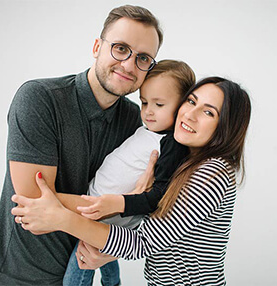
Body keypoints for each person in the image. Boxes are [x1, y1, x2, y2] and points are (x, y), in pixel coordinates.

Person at [0, 5, 163, 286]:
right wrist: (125, 205)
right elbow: (32, 199)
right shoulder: (40, 99)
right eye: (120, 48)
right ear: (96, 47)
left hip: (83, 274)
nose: (129, 64)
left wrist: (113, 244)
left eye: (143, 58)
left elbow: (150, 208)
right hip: (19, 277)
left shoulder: (139, 122)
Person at [12, 76, 252, 285]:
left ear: (226, 128)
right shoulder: (183, 160)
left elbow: (143, 242)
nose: (189, 113)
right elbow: (159, 232)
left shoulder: (213, 173)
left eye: (208, 112)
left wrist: (62, 217)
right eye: (191, 101)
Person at [63, 60, 195, 285]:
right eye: (144, 103)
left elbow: (159, 196)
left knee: (80, 264)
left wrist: (119, 203)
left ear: (183, 105)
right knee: (99, 257)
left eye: (159, 104)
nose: (148, 112)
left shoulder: (171, 144)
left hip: (110, 214)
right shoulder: (149, 130)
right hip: (99, 206)